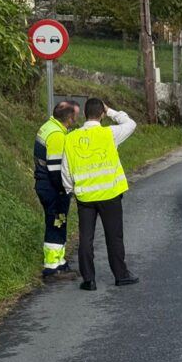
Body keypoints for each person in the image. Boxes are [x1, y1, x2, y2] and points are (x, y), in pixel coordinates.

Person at [61, 98, 138, 291]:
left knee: (86, 238)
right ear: (102, 114)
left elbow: (66, 170)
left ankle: (89, 280)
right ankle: (120, 275)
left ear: (84, 114)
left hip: (85, 197)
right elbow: (130, 124)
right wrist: (111, 111)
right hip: (110, 194)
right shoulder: (109, 133)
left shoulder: (71, 138)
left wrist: (71, 190)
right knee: (114, 236)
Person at [34, 100, 79, 280]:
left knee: (58, 222)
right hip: (53, 188)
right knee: (57, 223)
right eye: (75, 116)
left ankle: (60, 262)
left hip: (45, 185)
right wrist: (64, 189)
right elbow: (55, 169)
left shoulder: (48, 126)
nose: (76, 120)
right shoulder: (57, 135)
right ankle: (52, 268)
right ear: (69, 118)